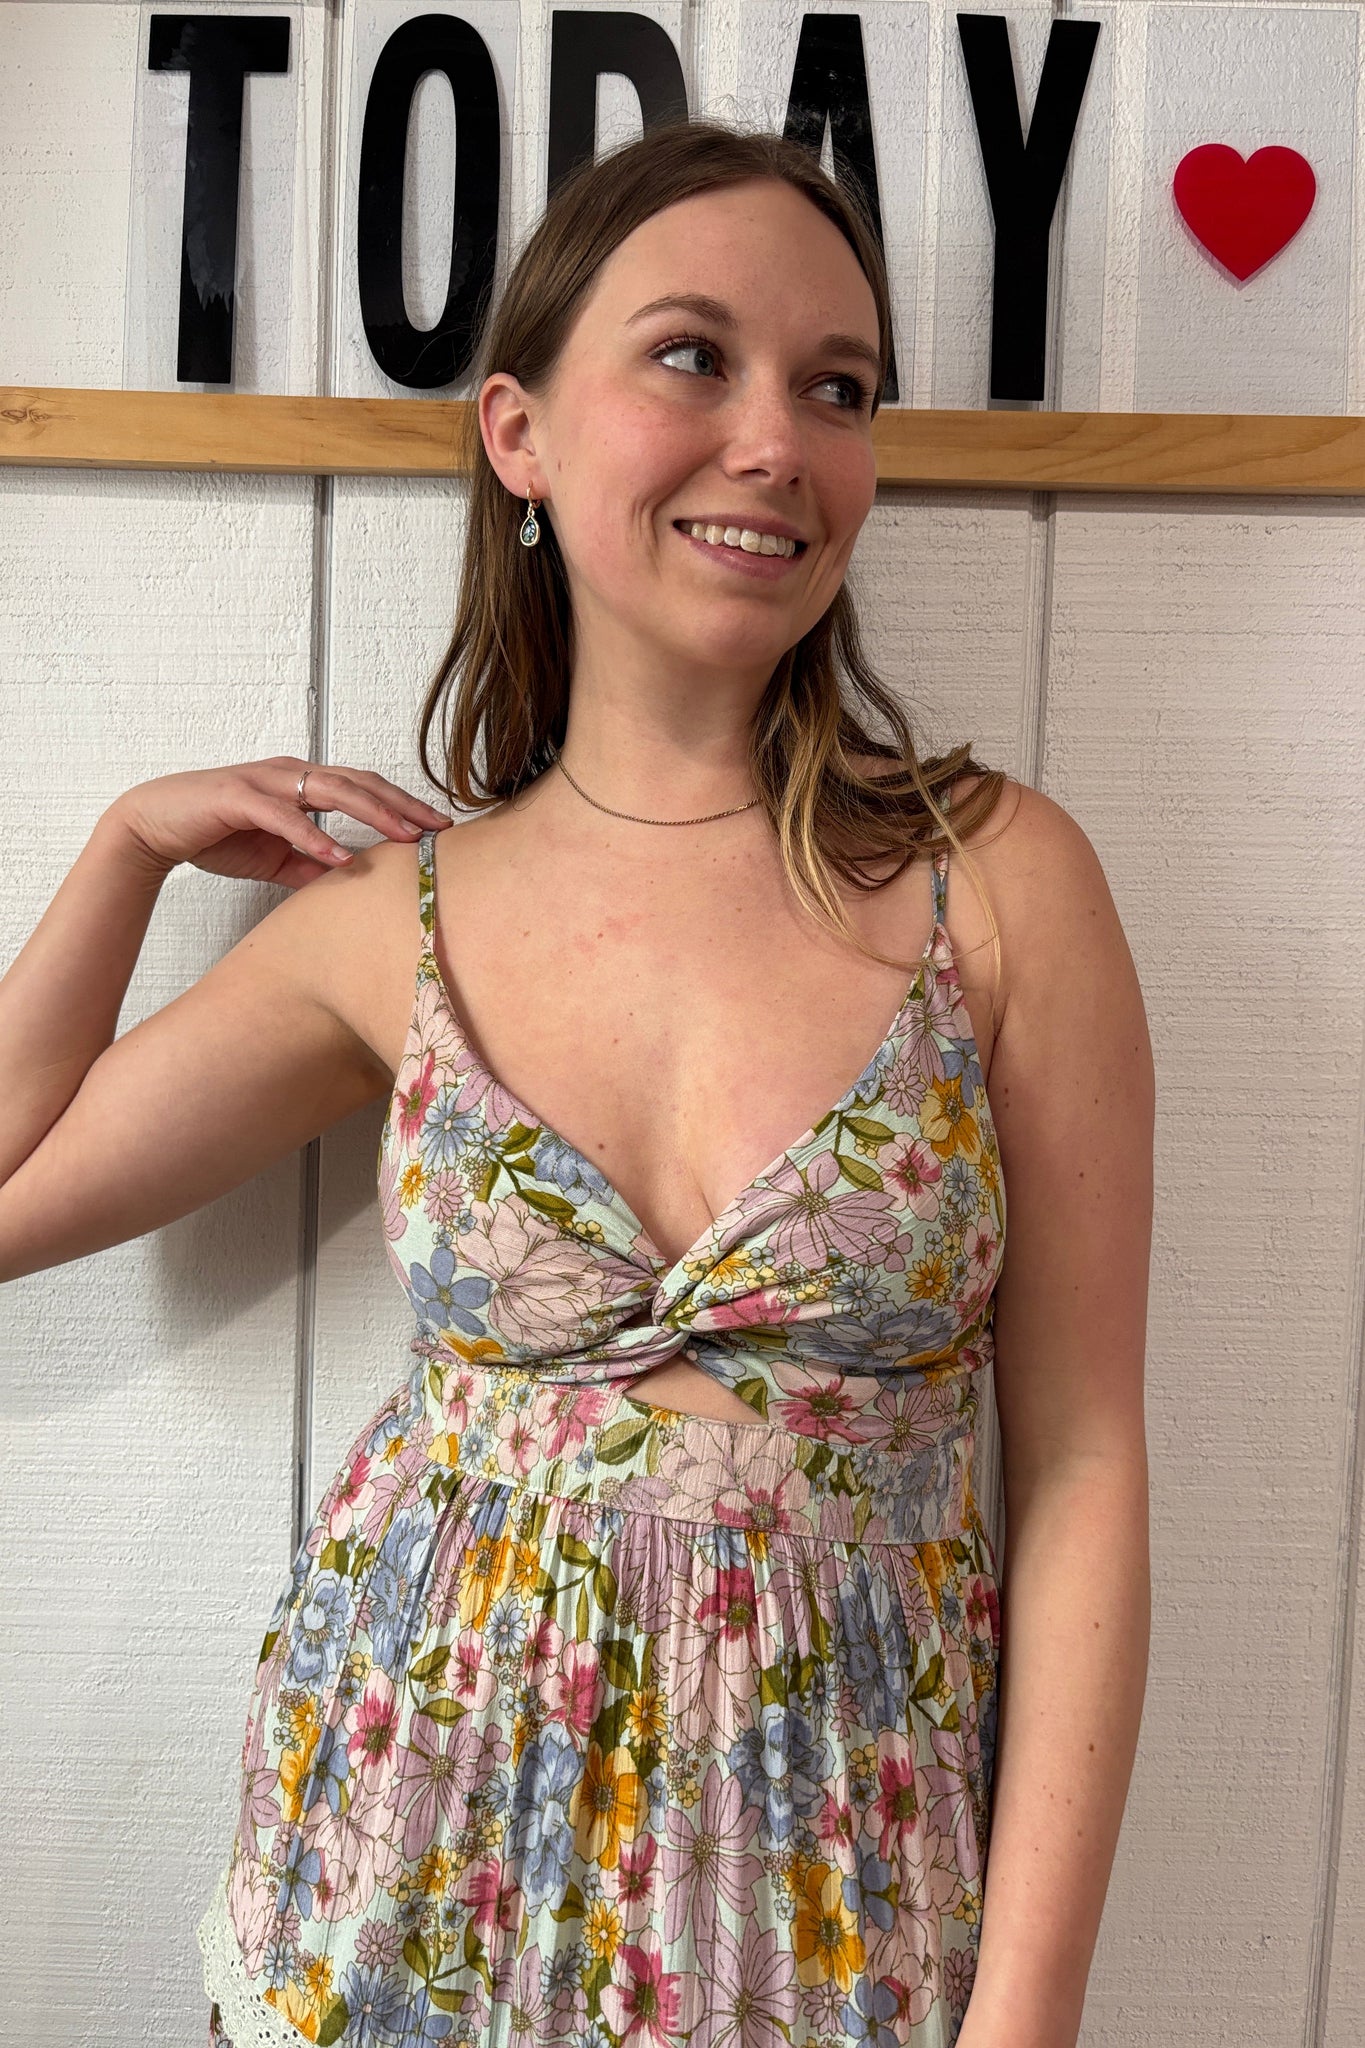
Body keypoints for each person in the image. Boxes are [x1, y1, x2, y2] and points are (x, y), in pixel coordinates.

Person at [0, 117, 1153, 2048]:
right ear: (518, 433)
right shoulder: (397, 925)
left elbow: (1084, 1465)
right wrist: (122, 851)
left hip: (838, 1905)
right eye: (693, 355)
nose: (777, 440)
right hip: (400, 1876)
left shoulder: (996, 885)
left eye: (838, 387)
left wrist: (1023, 2014)